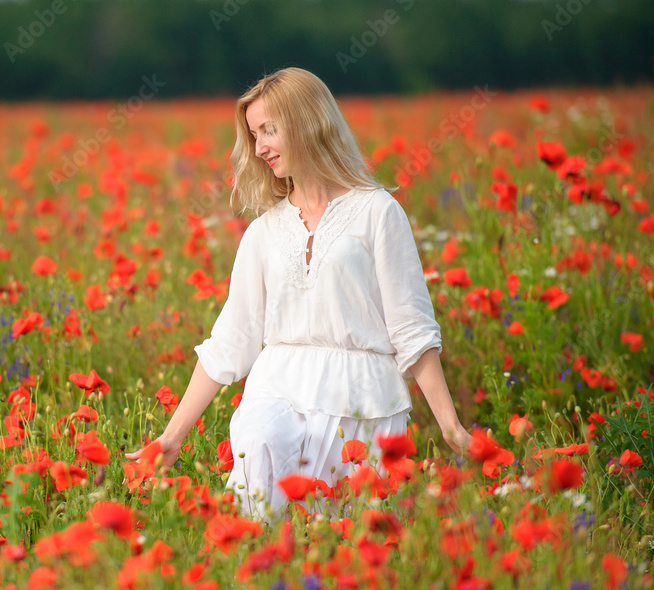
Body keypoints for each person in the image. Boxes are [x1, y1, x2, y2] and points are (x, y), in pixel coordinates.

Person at [126, 67, 473, 523]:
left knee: (341, 536)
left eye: (269, 129)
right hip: (278, 386)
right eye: (254, 135)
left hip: (361, 398)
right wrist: (171, 438)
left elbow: (410, 329)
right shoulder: (264, 231)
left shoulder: (378, 213)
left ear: (309, 121)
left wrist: (451, 427)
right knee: (257, 481)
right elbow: (232, 341)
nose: (260, 147)